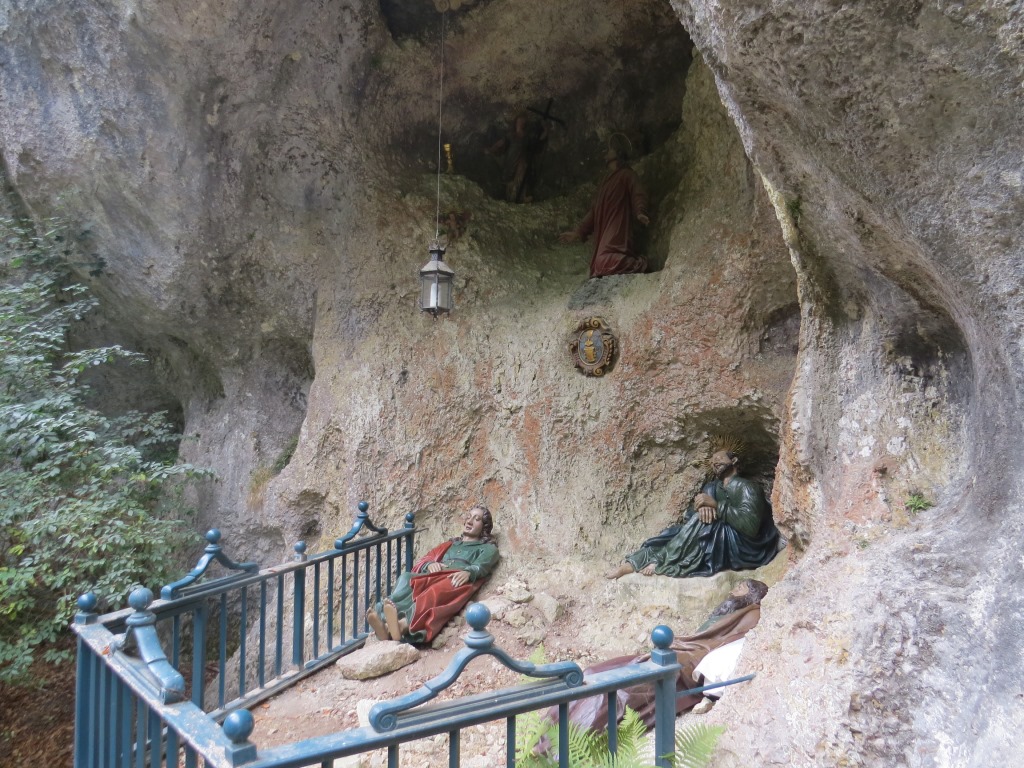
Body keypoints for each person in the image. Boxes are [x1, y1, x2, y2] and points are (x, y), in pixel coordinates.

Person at [539, 580, 769, 743]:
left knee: (620, 692)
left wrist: (700, 667)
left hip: (690, 662)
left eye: (740, 587)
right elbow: (702, 637)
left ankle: (567, 740)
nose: (733, 590)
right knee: (595, 672)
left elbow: (724, 650)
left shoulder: (751, 614)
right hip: (681, 650)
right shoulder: (732, 611)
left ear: (752, 596)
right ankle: (552, 730)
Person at [606, 450, 781, 580]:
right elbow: (690, 516)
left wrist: (716, 506)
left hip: (745, 546)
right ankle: (633, 563)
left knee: (701, 525)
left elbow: (750, 526)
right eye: (712, 461)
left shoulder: (748, 487)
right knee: (673, 533)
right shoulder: (712, 487)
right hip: (716, 535)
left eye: (719, 458)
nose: (714, 462)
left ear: (733, 460)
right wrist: (702, 508)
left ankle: (661, 561)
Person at [367, 505, 499, 644]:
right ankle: (387, 619)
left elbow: (483, 564)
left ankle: (401, 626)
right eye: (469, 517)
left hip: (455, 577)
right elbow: (426, 559)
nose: (469, 521)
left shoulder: (487, 548)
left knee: (434, 592)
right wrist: (429, 564)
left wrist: (469, 572)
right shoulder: (450, 544)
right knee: (406, 578)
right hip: (434, 574)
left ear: (484, 527)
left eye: (476, 519)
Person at [558, 135, 650, 278]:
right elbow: (594, 211)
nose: (605, 154)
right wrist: (578, 232)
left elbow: (638, 193)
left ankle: (639, 264)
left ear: (618, 153)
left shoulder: (627, 175)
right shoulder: (605, 182)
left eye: (609, 150)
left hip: (617, 227)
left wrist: (640, 211)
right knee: (598, 264)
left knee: (603, 262)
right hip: (606, 228)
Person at [486, 112, 548, 203]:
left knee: (522, 175)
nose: (521, 124)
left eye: (523, 122)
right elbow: (501, 143)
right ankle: (511, 198)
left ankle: (522, 196)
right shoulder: (511, 135)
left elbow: (538, 141)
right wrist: (491, 149)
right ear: (516, 123)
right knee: (510, 181)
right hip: (511, 160)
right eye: (519, 122)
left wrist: (545, 130)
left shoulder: (527, 137)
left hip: (522, 161)